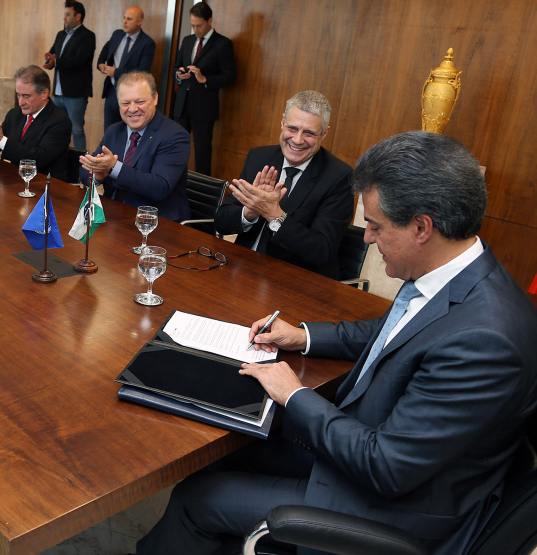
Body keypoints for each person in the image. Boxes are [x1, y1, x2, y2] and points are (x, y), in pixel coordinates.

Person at [136, 131, 537, 555]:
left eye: (376, 227)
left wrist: (296, 394)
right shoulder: (450, 272)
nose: (366, 239)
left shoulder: (486, 341)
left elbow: (387, 467)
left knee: (197, 498)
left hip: (389, 505)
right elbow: (391, 334)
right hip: (367, 449)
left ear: (422, 227)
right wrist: (303, 335)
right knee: (229, 449)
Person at [214, 90, 353, 279]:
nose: (297, 140)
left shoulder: (339, 178)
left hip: (293, 281)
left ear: (324, 133)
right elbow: (222, 222)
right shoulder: (259, 157)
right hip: (241, 269)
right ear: (282, 122)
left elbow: (321, 250)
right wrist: (250, 212)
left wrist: (274, 215)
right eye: (292, 128)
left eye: (309, 133)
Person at [79, 71, 189, 221]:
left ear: (155, 98)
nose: (132, 109)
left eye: (140, 102)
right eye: (125, 103)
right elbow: (85, 174)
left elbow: (160, 188)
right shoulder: (114, 131)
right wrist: (98, 175)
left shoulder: (174, 135)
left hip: (156, 223)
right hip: (113, 217)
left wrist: (114, 167)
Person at [0, 65, 72, 181]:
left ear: (44, 94)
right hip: (13, 179)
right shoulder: (15, 114)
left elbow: (38, 159)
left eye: (26, 96)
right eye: (18, 95)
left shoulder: (59, 121)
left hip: (45, 186)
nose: (20, 102)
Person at [172, 2, 236, 175]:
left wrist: (205, 78)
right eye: (192, 25)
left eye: (199, 25)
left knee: (202, 153)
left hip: (204, 108)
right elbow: (176, 67)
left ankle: (201, 196)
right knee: (175, 150)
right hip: (181, 105)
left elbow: (230, 76)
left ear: (210, 21)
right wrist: (180, 75)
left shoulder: (222, 44)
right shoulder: (187, 40)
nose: (195, 29)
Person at [43, 0, 96, 150]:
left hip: (75, 93)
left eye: (67, 14)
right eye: (64, 14)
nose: (64, 18)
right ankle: (58, 158)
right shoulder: (61, 34)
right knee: (57, 127)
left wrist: (56, 61)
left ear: (78, 16)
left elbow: (79, 60)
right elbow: (53, 53)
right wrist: (49, 60)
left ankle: (81, 165)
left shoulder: (88, 36)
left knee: (77, 130)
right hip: (58, 92)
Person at [96, 6, 156, 130]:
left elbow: (142, 72)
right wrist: (101, 63)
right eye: (124, 18)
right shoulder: (117, 35)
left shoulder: (147, 43)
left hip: (133, 96)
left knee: (129, 131)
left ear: (139, 21)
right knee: (110, 130)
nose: (124, 22)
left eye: (129, 19)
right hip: (112, 92)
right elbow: (106, 50)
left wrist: (116, 72)